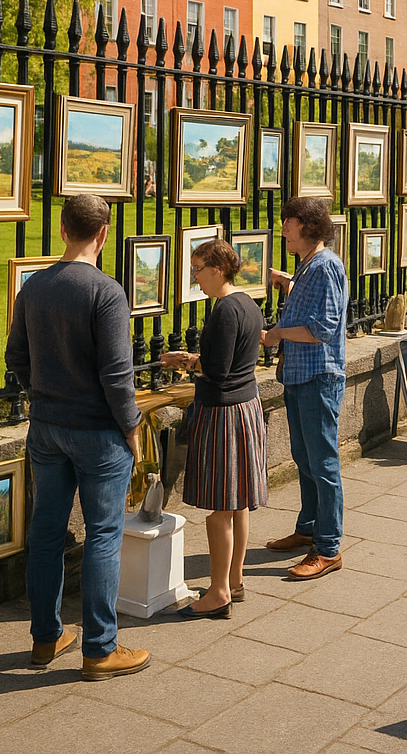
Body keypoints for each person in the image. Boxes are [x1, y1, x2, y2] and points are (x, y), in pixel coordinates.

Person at [6, 195, 149, 681]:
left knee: (46, 532)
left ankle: (46, 637)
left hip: (46, 428)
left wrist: (42, 394)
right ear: (103, 234)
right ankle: (100, 650)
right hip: (98, 433)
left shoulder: (33, 286)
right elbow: (117, 374)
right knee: (103, 535)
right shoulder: (106, 292)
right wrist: (131, 426)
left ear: (64, 229)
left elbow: (16, 356)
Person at [161, 239, 267, 619]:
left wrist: (189, 363)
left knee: (220, 508)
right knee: (237, 504)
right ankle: (234, 580)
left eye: (198, 270)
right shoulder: (249, 304)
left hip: (223, 416)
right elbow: (234, 360)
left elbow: (218, 370)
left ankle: (219, 593)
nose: (195, 278)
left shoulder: (224, 309)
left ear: (217, 270)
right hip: (246, 408)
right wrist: (192, 357)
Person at [261, 197, 349, 579]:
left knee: (323, 464)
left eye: (289, 221)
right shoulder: (310, 263)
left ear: (307, 226)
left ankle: (328, 548)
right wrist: (288, 282)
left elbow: (323, 328)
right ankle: (309, 528)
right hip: (300, 376)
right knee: (305, 458)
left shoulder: (326, 265)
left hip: (318, 378)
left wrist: (277, 333)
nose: (283, 228)